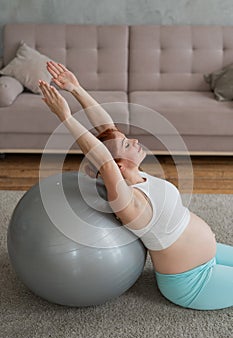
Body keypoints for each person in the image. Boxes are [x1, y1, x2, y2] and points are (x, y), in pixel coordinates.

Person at [39, 61, 233, 310]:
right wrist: (65, 117)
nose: (134, 140)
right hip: (193, 282)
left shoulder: (136, 175)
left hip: (210, 254)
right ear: (117, 165)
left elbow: (106, 127)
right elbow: (104, 158)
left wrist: (76, 89)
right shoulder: (127, 201)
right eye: (126, 145)